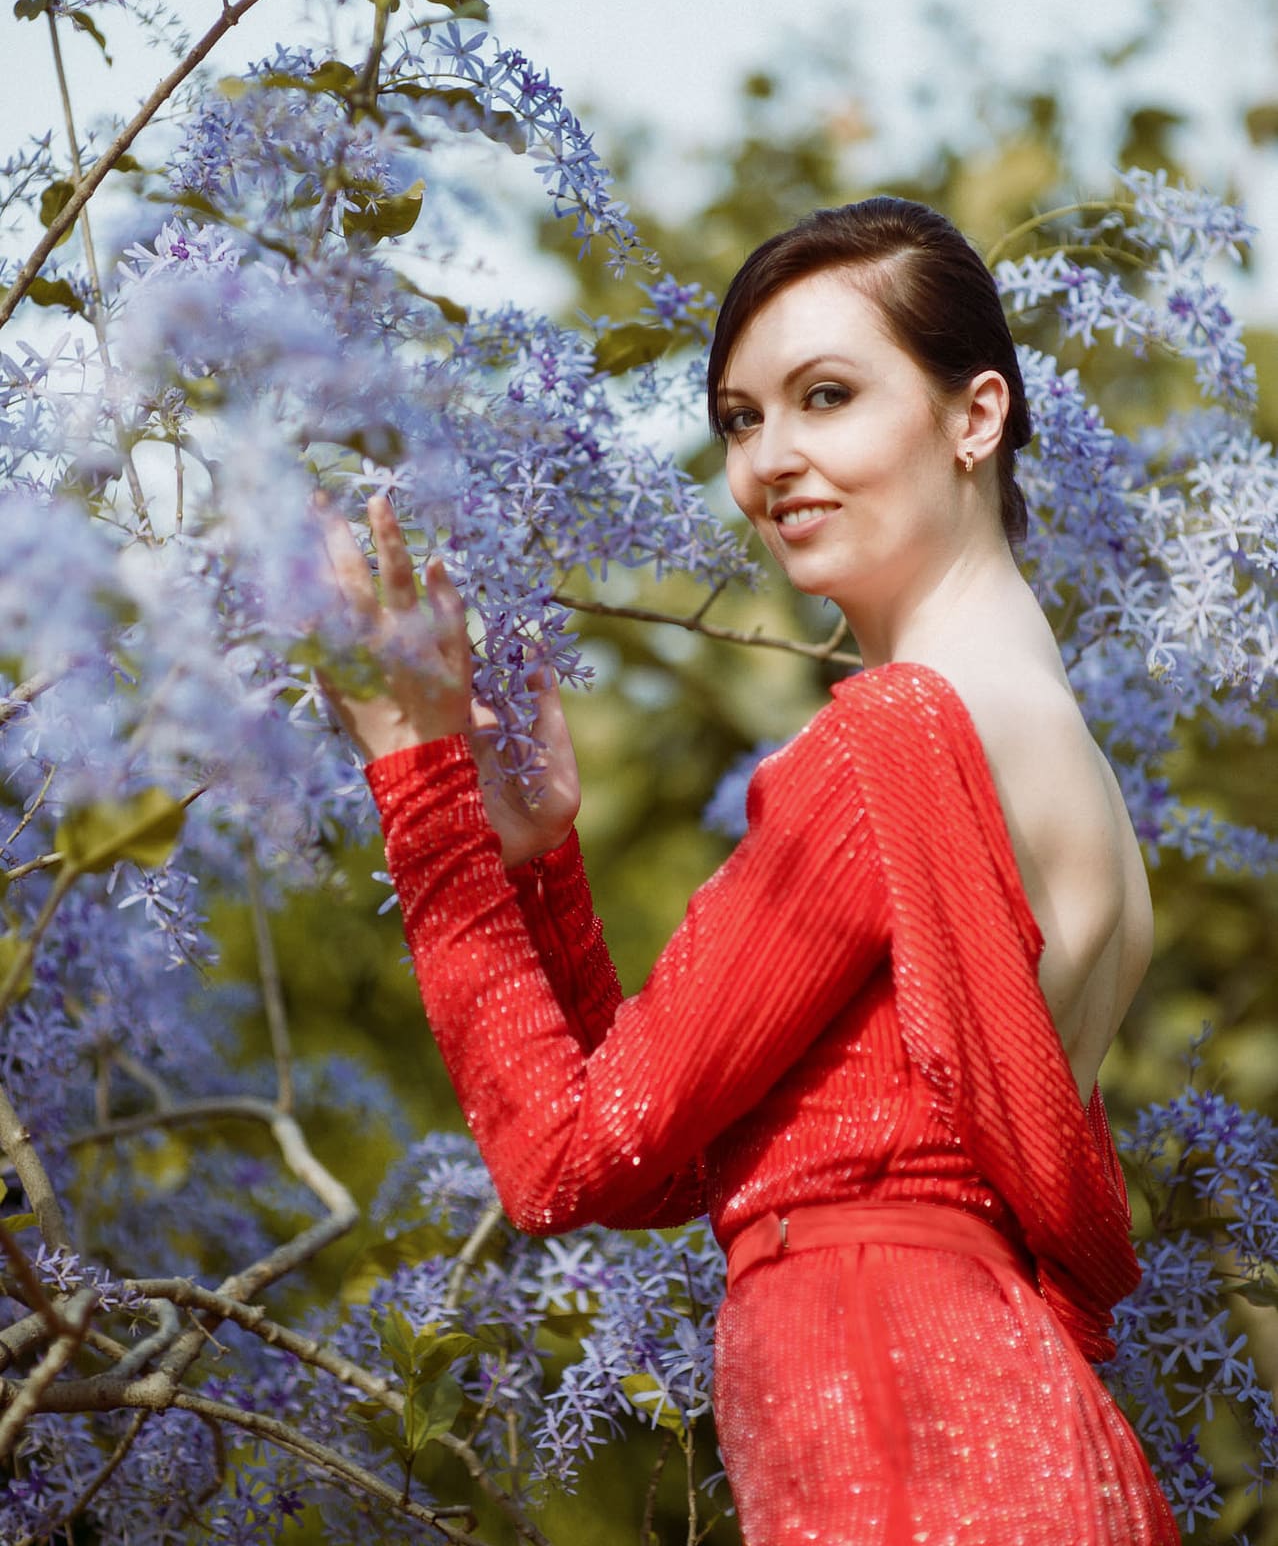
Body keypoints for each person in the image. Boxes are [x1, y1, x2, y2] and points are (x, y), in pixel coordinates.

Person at [319, 197, 1181, 1545]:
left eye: (825, 396)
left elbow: (561, 1166)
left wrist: (421, 788)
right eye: (739, 417)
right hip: (1024, 1434)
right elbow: (683, 1155)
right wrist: (539, 870)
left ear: (976, 416)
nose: (770, 460)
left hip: (909, 1435)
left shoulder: (891, 740)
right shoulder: (1072, 775)